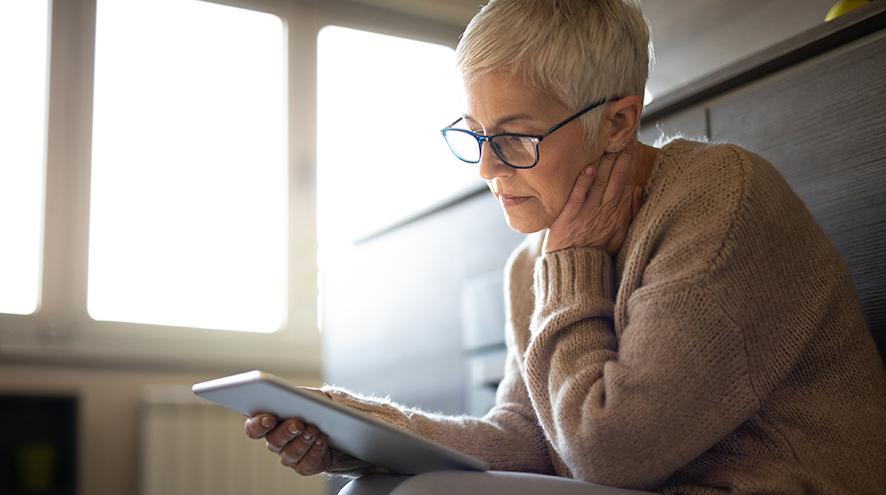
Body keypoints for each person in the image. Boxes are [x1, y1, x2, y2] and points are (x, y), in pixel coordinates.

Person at [243, 0, 886, 493]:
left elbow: (612, 454)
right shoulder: (536, 259)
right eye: (475, 135)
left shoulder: (719, 201)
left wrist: (571, 268)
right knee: (374, 485)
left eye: (515, 138)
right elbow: (528, 436)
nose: (487, 171)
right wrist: (357, 432)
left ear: (617, 124)